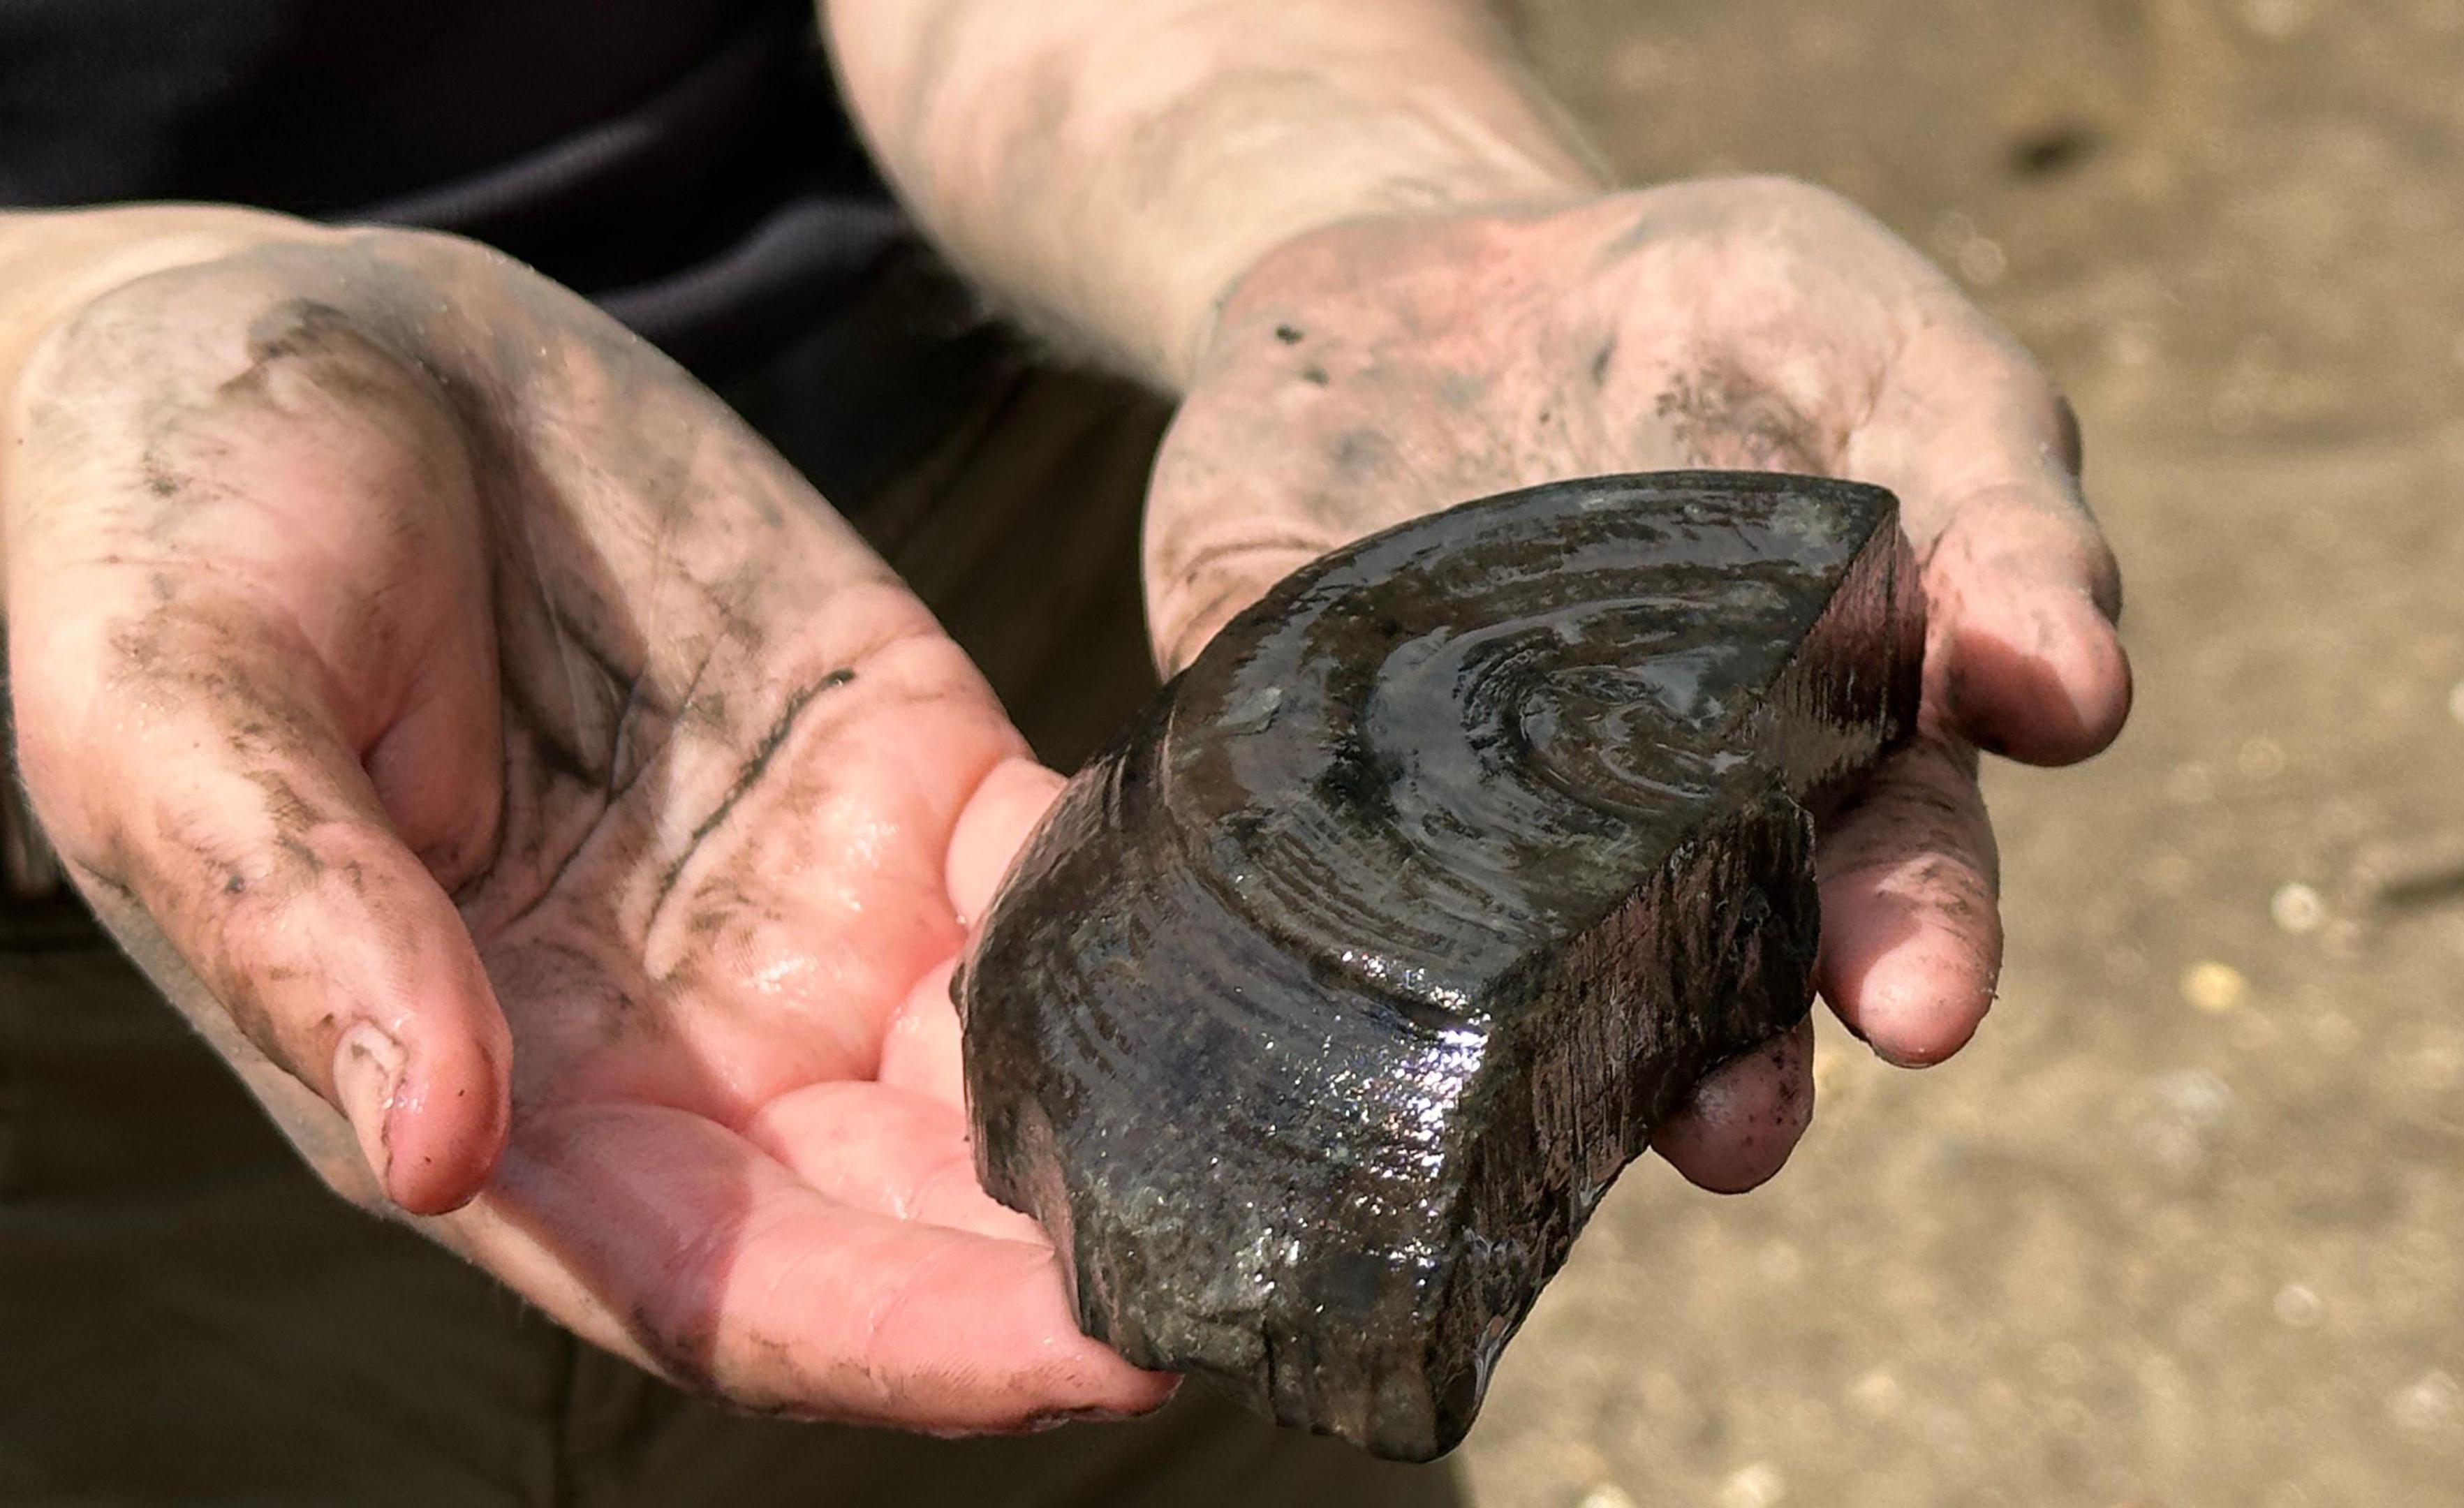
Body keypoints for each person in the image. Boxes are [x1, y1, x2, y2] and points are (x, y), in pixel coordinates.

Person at [0, 1, 2131, 1502]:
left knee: (1158, 1365)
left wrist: (1364, 185)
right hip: (83, 1063)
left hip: (1002, 669)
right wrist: (57, 378)